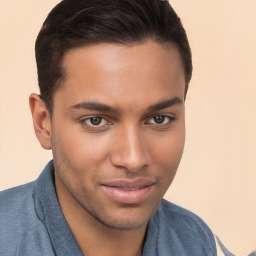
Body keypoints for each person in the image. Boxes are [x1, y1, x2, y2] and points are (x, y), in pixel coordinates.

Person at [0, 0, 234, 255]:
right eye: (96, 120)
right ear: (43, 122)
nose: (133, 159)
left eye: (159, 119)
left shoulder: (200, 243)